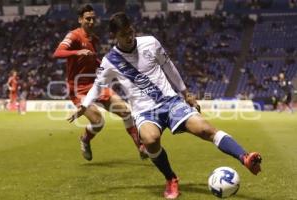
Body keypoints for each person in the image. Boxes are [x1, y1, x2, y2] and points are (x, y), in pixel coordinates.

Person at [68, 12, 262, 199]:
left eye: (130, 31)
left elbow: (169, 67)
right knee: (150, 140)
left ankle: (244, 157)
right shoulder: (110, 61)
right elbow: (98, 86)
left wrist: (186, 93)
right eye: (123, 34)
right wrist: (84, 105)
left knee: (205, 129)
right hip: (144, 111)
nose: (129, 36)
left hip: (170, 102)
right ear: (114, 36)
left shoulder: (150, 42)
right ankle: (171, 178)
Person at [53, 5, 147, 161]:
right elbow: (58, 53)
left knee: (125, 111)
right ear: (80, 20)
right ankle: (85, 139)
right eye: (87, 18)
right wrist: (77, 52)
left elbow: (94, 61)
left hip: (96, 85)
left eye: (93, 19)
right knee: (98, 122)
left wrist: (108, 68)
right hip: (78, 89)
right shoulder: (74, 36)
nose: (91, 21)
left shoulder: (93, 39)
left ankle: (141, 147)